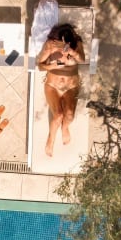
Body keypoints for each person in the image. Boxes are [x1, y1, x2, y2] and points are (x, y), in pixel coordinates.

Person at [36, 23, 85, 156]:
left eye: (66, 43)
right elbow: (40, 66)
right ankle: (51, 139)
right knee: (58, 115)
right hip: (53, 85)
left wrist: (71, 51)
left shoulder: (76, 43)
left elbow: (81, 59)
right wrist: (52, 66)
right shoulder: (50, 45)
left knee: (69, 116)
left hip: (71, 86)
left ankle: (65, 127)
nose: (63, 46)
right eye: (61, 43)